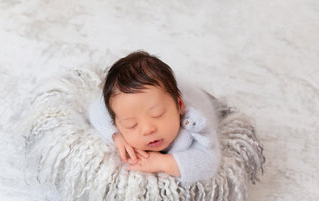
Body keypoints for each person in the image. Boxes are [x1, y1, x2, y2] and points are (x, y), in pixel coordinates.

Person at [87, 51, 221, 183]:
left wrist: (164, 162)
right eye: (131, 124)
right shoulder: (122, 107)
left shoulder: (193, 124)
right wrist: (116, 136)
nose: (147, 129)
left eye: (157, 114)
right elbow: (96, 109)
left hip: (193, 96)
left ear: (179, 105)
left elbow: (209, 162)